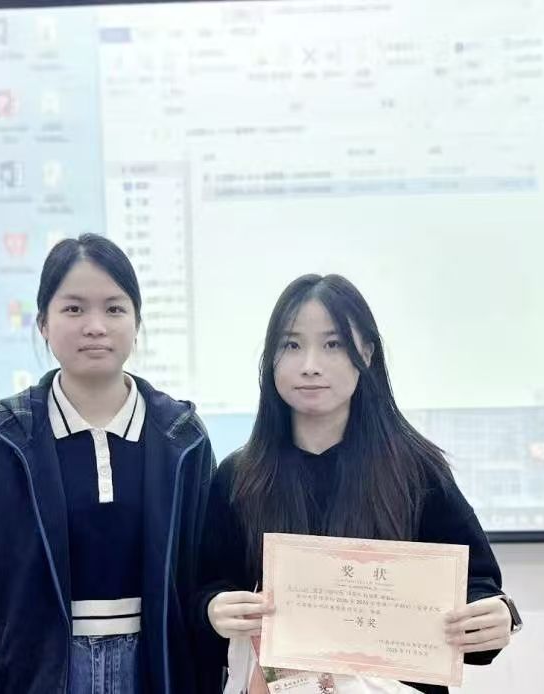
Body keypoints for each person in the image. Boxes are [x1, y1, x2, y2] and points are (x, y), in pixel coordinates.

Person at [195, 274, 520, 694]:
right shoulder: (240, 475)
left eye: (333, 344)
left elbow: (478, 585)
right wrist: (213, 610)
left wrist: (495, 616)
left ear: (365, 353)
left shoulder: (416, 470)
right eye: (291, 345)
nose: (310, 364)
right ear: (270, 358)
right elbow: (206, 587)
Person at [0, 233, 215, 693]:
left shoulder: (183, 439)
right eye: (74, 309)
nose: (95, 326)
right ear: (43, 323)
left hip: (154, 671)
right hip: (41, 674)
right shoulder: (1, 440)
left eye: (114, 309)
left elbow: (202, 586)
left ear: (137, 322)